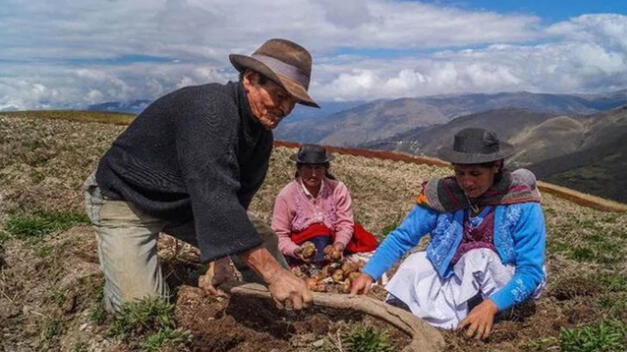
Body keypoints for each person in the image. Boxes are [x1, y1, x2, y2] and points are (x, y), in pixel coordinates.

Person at [83, 38, 318, 312]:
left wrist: (217, 259)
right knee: (141, 309)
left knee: (261, 236)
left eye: (293, 102)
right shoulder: (210, 112)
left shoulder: (259, 137)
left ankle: (285, 309)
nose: (286, 110)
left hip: (185, 204)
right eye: (280, 96)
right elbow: (215, 200)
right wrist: (273, 274)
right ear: (250, 79)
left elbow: (233, 202)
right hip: (126, 199)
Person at [350, 128, 546, 340]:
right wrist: (369, 273)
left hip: (502, 283)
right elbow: (403, 237)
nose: (467, 182)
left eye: (476, 174)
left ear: (496, 167)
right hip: (455, 274)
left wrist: (492, 305)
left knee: (480, 257)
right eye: (460, 173)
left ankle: (493, 315)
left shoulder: (521, 203)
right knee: (417, 262)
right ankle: (442, 315)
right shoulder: (444, 196)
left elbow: (530, 273)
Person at [271, 144, 378, 266]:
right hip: (302, 245)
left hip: (333, 241)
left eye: (318, 168)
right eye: (308, 168)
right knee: (318, 231)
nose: (313, 174)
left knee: (362, 238)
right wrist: (296, 251)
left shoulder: (338, 189)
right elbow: (279, 235)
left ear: (325, 169)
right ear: (299, 169)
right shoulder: (286, 195)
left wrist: (339, 245)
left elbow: (345, 223)